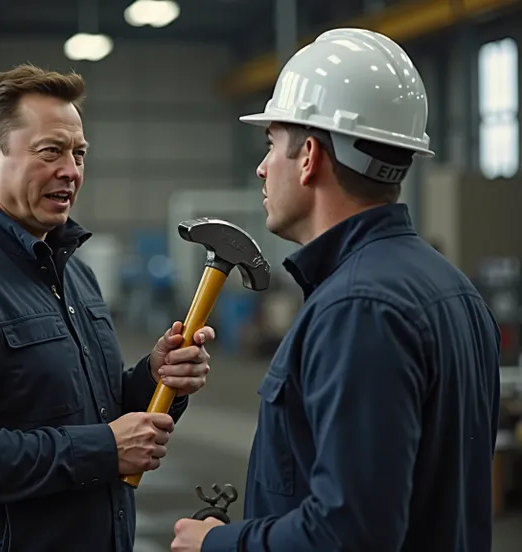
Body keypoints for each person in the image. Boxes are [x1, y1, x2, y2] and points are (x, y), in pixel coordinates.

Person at [171, 28, 500, 552]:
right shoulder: (451, 288)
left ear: (309, 157)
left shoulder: (358, 309)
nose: (261, 167)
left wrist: (218, 544)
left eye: (271, 143)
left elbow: (350, 535)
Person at [0, 64, 215, 552]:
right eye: (50, 152)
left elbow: (93, 412)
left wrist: (155, 378)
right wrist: (104, 449)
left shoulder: (73, 272)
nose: (71, 171)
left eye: (79, 153)